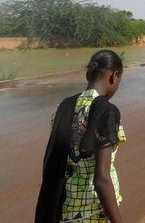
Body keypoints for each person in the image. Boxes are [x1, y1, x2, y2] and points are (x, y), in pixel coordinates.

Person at [35, 50, 126, 223]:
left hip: (65, 211)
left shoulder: (61, 108)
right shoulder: (106, 112)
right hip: (94, 213)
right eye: (119, 80)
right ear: (114, 76)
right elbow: (102, 180)